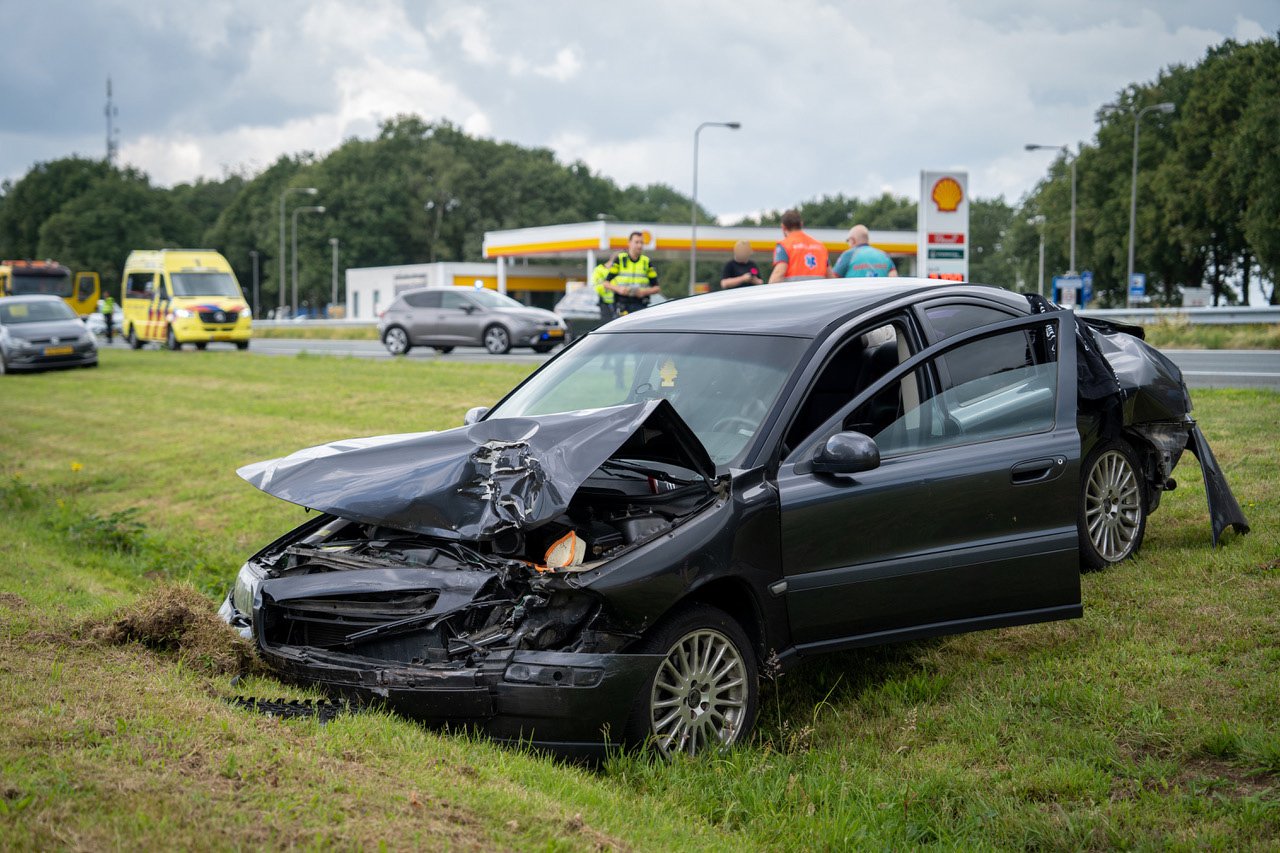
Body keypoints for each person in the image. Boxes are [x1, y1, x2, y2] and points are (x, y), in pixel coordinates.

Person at [606, 231, 661, 314]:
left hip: (641, 305)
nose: (639, 245)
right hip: (622, 305)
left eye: (641, 243)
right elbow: (606, 283)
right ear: (629, 243)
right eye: (636, 242)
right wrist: (619, 289)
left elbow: (657, 288)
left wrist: (644, 292)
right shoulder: (620, 260)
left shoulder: (646, 262)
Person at [768, 209, 828, 283]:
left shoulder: (784, 245)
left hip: (796, 293)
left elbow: (778, 275)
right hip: (818, 292)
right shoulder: (820, 246)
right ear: (801, 224)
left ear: (783, 227)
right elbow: (830, 276)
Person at [833, 224, 899, 279]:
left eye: (848, 241)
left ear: (853, 240)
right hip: (882, 294)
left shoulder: (849, 254)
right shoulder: (883, 255)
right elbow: (894, 277)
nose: (848, 243)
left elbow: (833, 278)